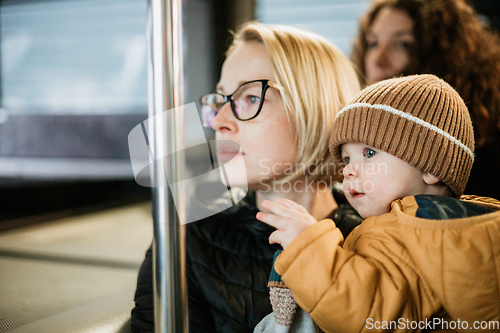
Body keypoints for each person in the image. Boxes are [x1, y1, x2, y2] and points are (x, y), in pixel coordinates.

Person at [131, 22, 363, 333]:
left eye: (250, 98)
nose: (220, 122)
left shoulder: (381, 236)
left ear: (314, 109)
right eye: (221, 100)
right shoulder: (187, 237)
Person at [256, 75, 500, 332]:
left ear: (430, 167)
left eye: (369, 153)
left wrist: (307, 245)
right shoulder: (434, 227)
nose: (348, 171)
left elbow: (364, 315)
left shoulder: (417, 232)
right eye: (347, 159)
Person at [351, 0, 500, 200]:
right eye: (373, 43)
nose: (378, 59)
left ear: (445, 55)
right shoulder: (355, 139)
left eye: (402, 44)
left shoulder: (480, 157)